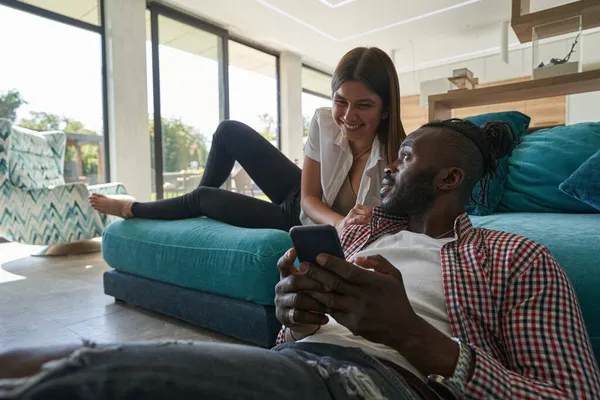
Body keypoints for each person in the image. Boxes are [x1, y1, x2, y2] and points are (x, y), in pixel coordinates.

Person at [2, 119, 599, 399]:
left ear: (449, 177)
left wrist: (415, 337)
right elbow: (296, 333)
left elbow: (573, 395)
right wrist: (298, 313)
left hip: (388, 383)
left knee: (90, 382)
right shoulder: (361, 236)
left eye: (408, 155)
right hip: (303, 360)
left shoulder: (514, 257)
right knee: (48, 360)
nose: (392, 163)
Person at [90, 46, 406, 233]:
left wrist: (353, 224)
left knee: (204, 198)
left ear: (386, 109)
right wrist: (341, 221)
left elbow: (406, 223)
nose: (348, 116)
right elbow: (309, 198)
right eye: (341, 101)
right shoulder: (324, 121)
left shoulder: (400, 161)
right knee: (228, 130)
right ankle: (195, 209)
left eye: (364, 105)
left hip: (294, 221)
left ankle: (133, 208)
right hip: (302, 195)